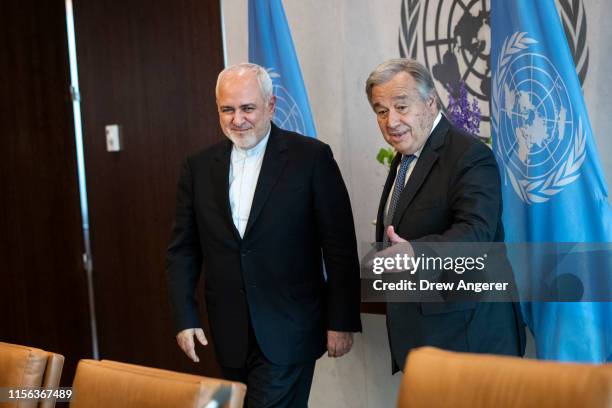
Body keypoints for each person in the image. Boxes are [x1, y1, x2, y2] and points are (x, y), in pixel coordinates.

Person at [166, 63, 361, 407]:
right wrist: (185, 317)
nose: (237, 119)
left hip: (291, 328)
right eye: (227, 109)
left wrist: (341, 320)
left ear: (270, 107)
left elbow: (339, 247)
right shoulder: (197, 167)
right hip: (229, 334)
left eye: (247, 108)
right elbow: (183, 249)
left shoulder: (312, 158)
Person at [365, 58, 525, 373]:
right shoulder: (405, 157)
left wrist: (415, 253)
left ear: (430, 102)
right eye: (381, 111)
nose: (391, 121)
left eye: (401, 106)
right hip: (429, 337)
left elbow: (476, 235)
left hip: (468, 340)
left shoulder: (469, 155)